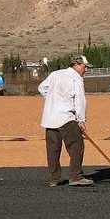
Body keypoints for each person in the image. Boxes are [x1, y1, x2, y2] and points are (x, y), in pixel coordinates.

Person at [39, 54, 93, 187]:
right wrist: (81, 120)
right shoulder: (76, 79)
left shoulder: (55, 74)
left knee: (53, 150)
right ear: (77, 65)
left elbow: (42, 88)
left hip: (50, 118)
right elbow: (80, 101)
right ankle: (76, 176)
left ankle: (53, 179)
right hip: (66, 118)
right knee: (77, 145)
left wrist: (53, 100)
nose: (86, 70)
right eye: (85, 67)